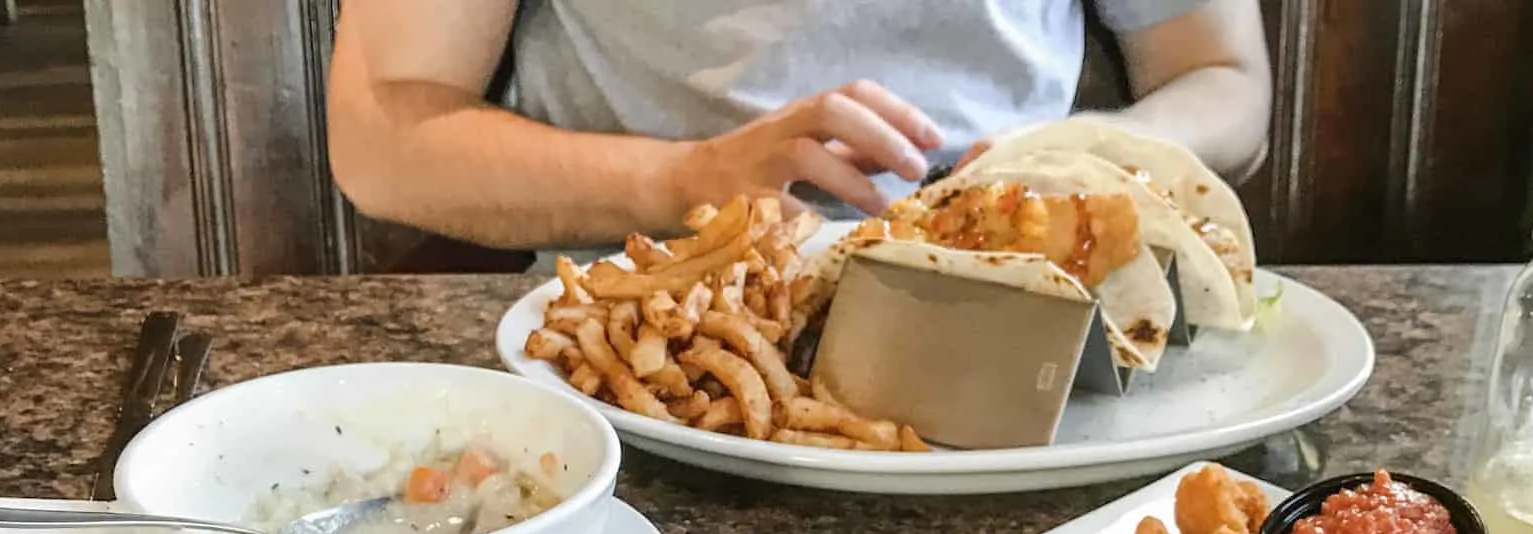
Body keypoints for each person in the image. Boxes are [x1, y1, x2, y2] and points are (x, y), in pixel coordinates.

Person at [327, 1, 1271, 254]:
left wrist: (1075, 165)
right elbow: (380, 138)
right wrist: (685, 181)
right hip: (650, 344)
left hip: (1051, 318)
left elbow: (1224, 81)